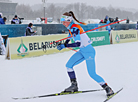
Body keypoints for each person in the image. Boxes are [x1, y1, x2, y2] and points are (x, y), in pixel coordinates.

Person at [57, 11, 114, 97]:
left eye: (64, 21)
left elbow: (78, 44)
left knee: (92, 73)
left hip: (89, 51)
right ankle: (74, 85)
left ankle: (107, 88)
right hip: (82, 51)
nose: (63, 23)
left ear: (69, 20)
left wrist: (65, 45)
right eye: (62, 21)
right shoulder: (71, 27)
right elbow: (69, 37)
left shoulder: (75, 28)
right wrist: (64, 44)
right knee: (68, 65)